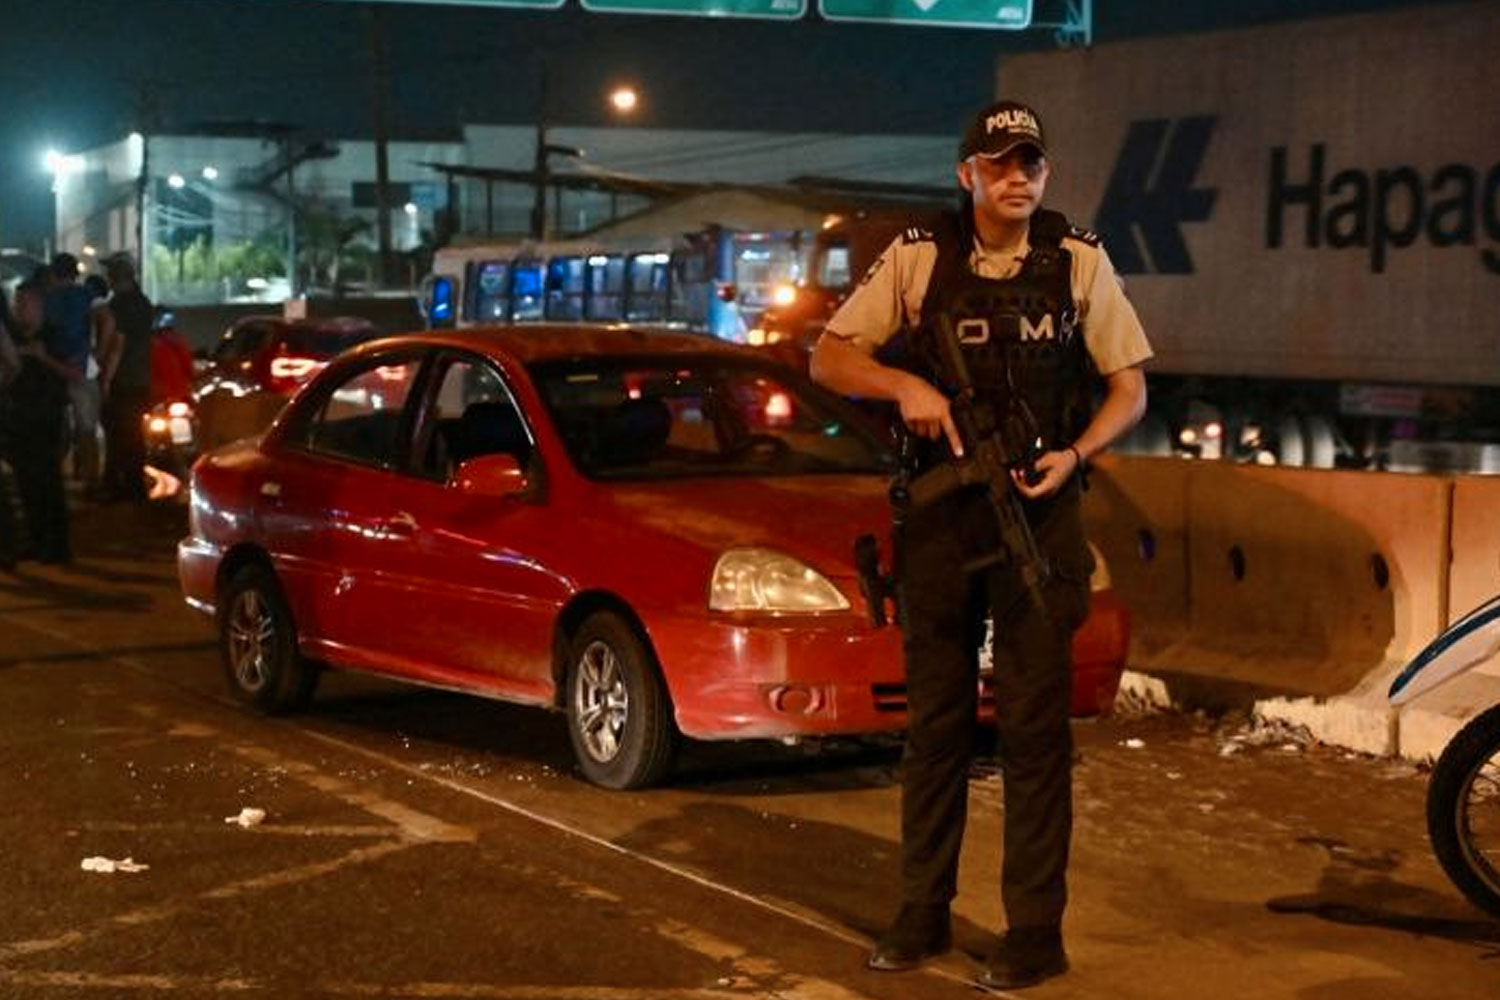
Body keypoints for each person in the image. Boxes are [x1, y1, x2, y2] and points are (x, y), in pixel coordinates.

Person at [809, 99, 1152, 990]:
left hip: (1039, 517)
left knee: (1036, 734)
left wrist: (1076, 454)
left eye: (1030, 163)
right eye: (999, 163)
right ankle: (921, 913)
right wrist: (903, 389)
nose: (1017, 177)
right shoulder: (922, 256)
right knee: (937, 729)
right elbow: (829, 357)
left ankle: (1036, 931)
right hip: (939, 517)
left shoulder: (1076, 259)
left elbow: (1130, 388)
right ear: (967, 173)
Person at [7, 279, 74, 564]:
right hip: (18, 419)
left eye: (24, 304)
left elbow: (74, 373)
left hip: (47, 419)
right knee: (26, 484)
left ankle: (56, 546)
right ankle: (35, 542)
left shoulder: (54, 336)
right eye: (16, 304)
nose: (19, 309)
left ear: (39, 306)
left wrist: (42, 357)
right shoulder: (12, 338)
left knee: (49, 485)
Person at [42, 252, 114, 498]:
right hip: (83, 367)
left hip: (53, 368)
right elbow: (108, 322)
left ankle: (64, 475)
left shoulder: (47, 299)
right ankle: (91, 480)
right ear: (76, 272)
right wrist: (98, 353)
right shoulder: (87, 296)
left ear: (54, 273)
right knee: (87, 428)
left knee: (58, 425)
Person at [99, 253, 154, 503]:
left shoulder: (121, 304)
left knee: (120, 435)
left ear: (115, 277)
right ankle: (132, 485)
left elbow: (117, 345)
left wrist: (106, 379)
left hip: (124, 379)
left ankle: (124, 487)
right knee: (133, 434)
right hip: (141, 378)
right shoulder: (143, 302)